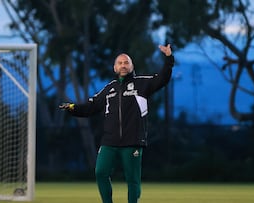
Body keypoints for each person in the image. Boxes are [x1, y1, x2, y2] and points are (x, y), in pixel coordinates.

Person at [59, 44, 174, 203]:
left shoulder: (142, 84)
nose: (123, 65)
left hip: (132, 141)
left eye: (126, 62)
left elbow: (163, 78)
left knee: (132, 179)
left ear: (132, 66)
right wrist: (73, 108)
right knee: (100, 172)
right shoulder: (109, 89)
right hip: (110, 141)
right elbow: (91, 107)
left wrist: (168, 59)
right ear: (114, 68)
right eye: (120, 63)